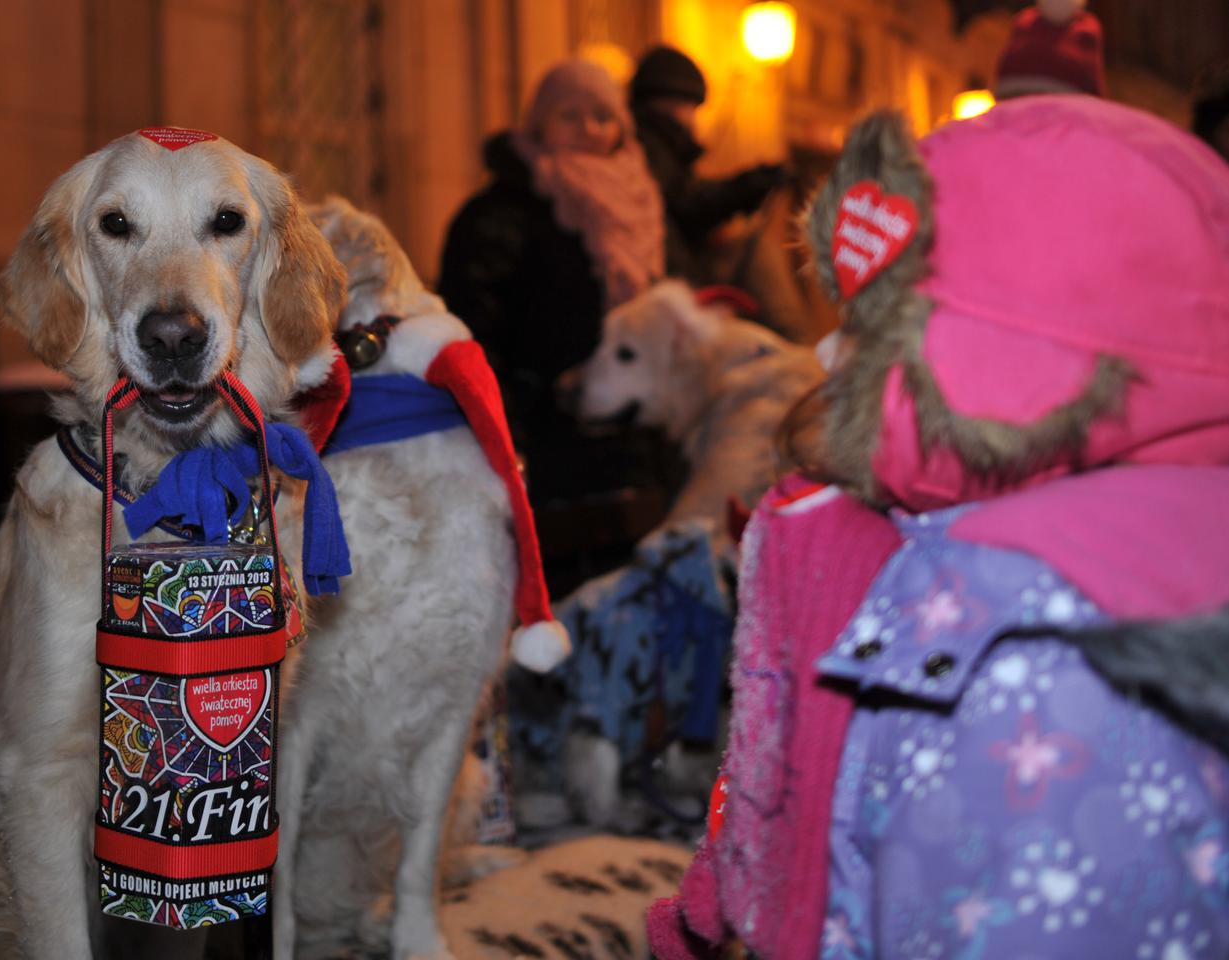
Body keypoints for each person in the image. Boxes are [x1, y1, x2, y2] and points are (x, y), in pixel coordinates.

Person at [650, 95, 1229, 958]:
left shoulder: (1025, 662)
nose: (824, 357)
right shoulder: (1142, 552)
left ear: (1009, 363)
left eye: (876, 330)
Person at [438, 59, 669, 512]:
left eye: (602, 117)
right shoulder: (499, 213)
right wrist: (512, 426)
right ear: (540, 124)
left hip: (637, 444)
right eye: (569, 115)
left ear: (622, 130)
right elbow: (472, 328)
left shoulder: (647, 205)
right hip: (545, 442)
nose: (587, 128)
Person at [628, 45, 785, 284]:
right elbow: (687, 205)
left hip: (676, 279)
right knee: (757, 249)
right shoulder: (647, 146)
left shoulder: (653, 145)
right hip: (674, 283)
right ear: (671, 102)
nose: (693, 118)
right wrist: (746, 186)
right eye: (691, 106)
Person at [993, 0, 1106, 100]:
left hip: (1013, 96)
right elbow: (1094, 85)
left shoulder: (1087, 29)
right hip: (1015, 95)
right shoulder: (1024, 21)